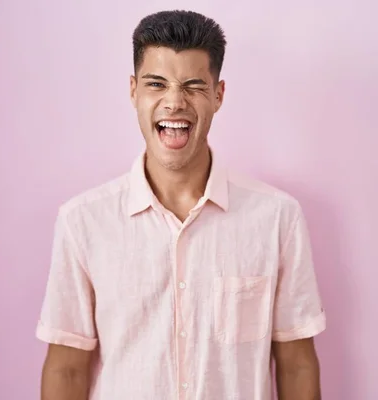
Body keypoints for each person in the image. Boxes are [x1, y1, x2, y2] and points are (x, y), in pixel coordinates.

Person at [36, 9, 326, 400]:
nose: (174, 102)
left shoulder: (277, 218)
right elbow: (67, 369)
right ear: (134, 90)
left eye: (193, 85)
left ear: (218, 95)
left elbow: (296, 362)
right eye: (157, 84)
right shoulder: (83, 222)